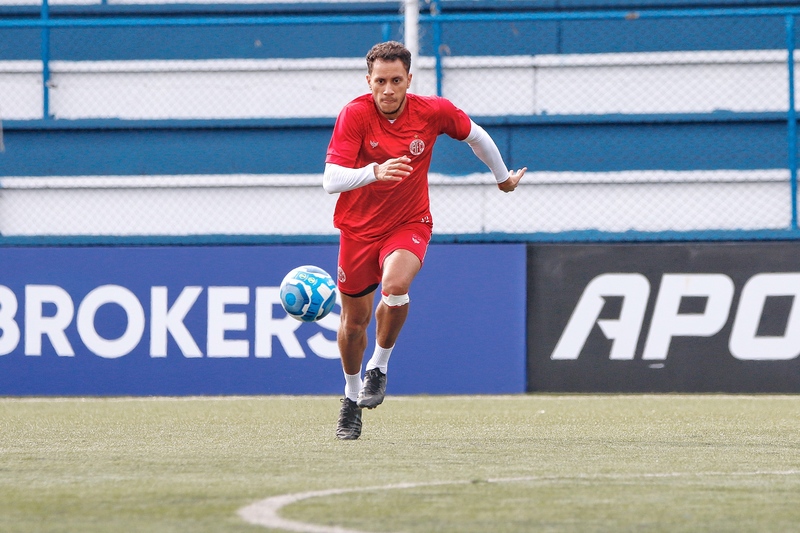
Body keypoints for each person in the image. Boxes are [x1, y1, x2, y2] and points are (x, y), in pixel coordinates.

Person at [323, 41, 526, 440]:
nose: (387, 90)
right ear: (369, 81)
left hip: (409, 221)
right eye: (379, 81)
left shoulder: (432, 111)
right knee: (353, 324)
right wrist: (374, 172)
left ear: (408, 80)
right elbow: (332, 180)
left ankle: (379, 367)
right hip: (358, 230)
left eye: (396, 80)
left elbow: (476, 136)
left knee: (396, 287)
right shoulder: (354, 115)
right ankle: (350, 399)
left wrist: (502, 178)